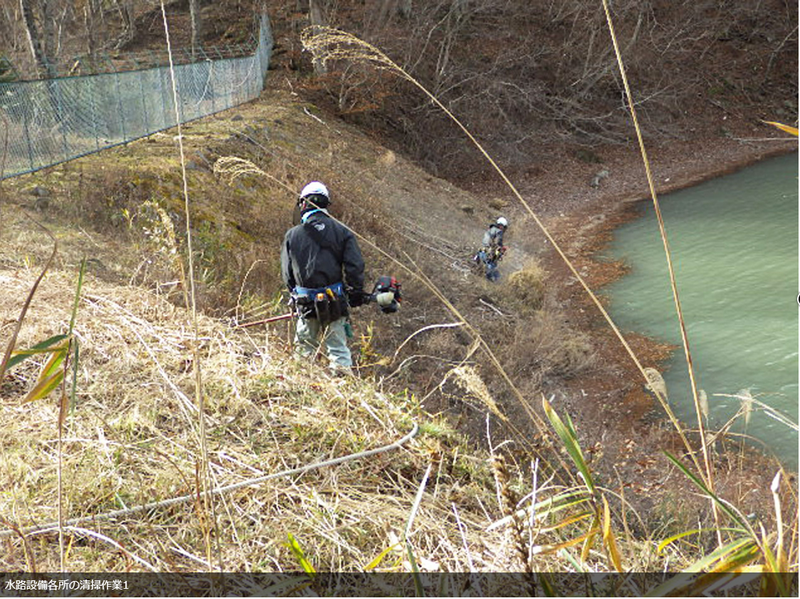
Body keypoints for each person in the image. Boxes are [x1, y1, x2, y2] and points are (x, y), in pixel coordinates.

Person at [281, 181, 367, 374]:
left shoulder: (292, 235)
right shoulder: (342, 231)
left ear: (303, 204)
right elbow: (355, 266)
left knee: (303, 353)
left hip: (305, 302)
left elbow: (287, 274)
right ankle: (344, 392)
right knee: (338, 351)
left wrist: (295, 295)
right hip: (334, 301)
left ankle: (300, 391)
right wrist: (355, 293)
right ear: (326, 204)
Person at [475, 216, 508, 281]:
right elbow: (498, 243)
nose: (503, 229)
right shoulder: (499, 232)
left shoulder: (491, 229)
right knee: (493, 267)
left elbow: (487, 241)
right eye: (503, 227)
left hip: (481, 252)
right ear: (502, 226)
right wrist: (502, 249)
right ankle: (490, 278)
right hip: (488, 254)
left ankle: (479, 268)